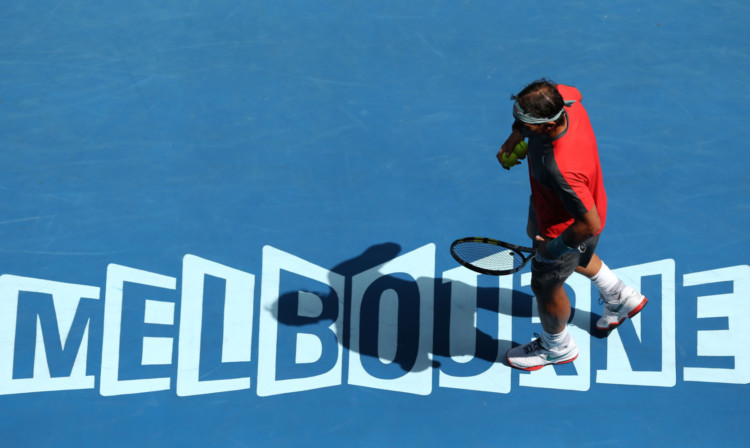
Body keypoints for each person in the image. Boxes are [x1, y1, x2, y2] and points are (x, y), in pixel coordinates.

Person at [497, 79, 648, 371]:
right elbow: (564, 89)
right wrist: (515, 137)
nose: (518, 127)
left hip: (567, 228)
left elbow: (589, 224)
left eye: (525, 125)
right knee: (574, 259)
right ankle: (618, 295)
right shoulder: (567, 100)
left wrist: (552, 249)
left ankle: (556, 346)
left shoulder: (561, 167)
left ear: (548, 126)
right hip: (551, 207)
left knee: (545, 285)